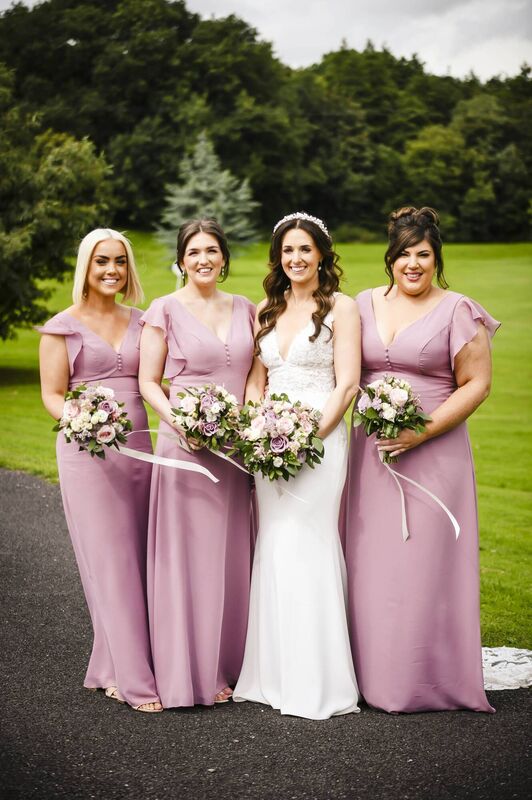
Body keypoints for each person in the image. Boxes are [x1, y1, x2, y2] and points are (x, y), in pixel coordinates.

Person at [342, 206, 499, 713]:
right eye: (405, 254)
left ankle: (426, 677)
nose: (414, 264)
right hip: (371, 454)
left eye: (424, 255)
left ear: (437, 259)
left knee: (426, 562)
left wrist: (422, 431)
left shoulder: (457, 310)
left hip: (436, 452)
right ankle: (370, 674)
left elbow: (478, 383)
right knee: (374, 563)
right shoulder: (360, 306)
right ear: (390, 258)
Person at [233, 212, 361, 719]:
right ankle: (269, 676)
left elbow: (347, 384)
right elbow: (255, 380)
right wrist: (256, 426)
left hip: (320, 443)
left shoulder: (342, 309)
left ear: (322, 254)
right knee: (274, 541)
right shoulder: (266, 306)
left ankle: (319, 681)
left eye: (306, 249)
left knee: (308, 542)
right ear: (278, 257)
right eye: (288, 250)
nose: (296, 258)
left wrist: (308, 438)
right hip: (269, 445)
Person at [38, 229, 162, 713]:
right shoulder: (61, 327)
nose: (111, 270)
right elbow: (52, 395)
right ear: (85, 269)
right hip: (87, 454)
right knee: (109, 561)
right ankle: (131, 679)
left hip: (141, 449)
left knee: (141, 559)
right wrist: (80, 417)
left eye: (119, 262)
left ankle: (111, 662)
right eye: (101, 262)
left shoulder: (145, 321)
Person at [139, 218, 255, 708]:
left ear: (224, 258)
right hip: (183, 450)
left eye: (212, 250)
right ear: (181, 260)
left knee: (230, 554)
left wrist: (249, 420)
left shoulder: (247, 308)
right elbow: (148, 381)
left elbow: (254, 374)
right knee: (188, 557)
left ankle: (231, 664)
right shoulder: (163, 310)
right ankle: (187, 668)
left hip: (234, 452)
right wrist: (181, 422)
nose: (203, 259)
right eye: (194, 252)